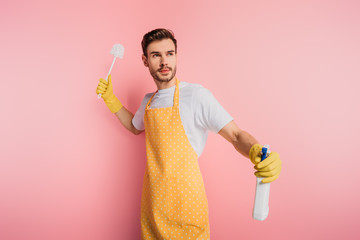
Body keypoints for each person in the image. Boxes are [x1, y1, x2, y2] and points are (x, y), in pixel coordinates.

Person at [96, 28, 282, 240]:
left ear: (176, 55)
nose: (164, 61)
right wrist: (111, 99)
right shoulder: (148, 101)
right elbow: (134, 126)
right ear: (145, 60)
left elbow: (236, 135)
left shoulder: (195, 96)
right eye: (156, 55)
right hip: (153, 205)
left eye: (170, 53)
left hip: (187, 207)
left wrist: (255, 150)